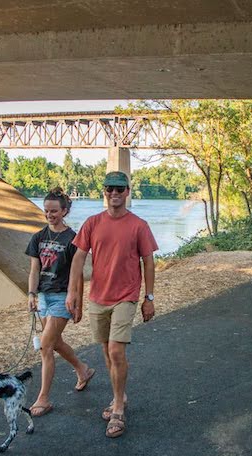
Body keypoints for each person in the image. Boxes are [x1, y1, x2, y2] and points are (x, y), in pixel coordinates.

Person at [67, 171, 158, 438]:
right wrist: (73, 294)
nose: (114, 193)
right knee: (107, 352)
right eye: (110, 189)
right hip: (98, 297)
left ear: (127, 192)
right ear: (104, 191)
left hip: (125, 296)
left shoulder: (139, 225)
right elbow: (78, 258)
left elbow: (148, 262)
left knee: (116, 351)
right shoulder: (92, 223)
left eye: (119, 189)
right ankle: (121, 394)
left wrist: (149, 297)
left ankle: (118, 406)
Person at [25, 187, 96, 417]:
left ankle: (43, 398)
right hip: (44, 297)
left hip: (62, 298)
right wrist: (31, 294)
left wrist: (78, 303)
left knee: (45, 346)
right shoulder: (38, 237)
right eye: (46, 210)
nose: (49, 215)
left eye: (54, 211)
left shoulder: (72, 239)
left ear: (64, 211)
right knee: (54, 343)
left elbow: (78, 274)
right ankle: (82, 369)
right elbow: (34, 270)